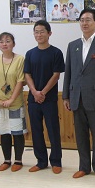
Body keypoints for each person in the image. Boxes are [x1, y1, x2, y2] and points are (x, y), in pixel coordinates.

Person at [62, 8, 95, 180]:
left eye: (88, 20)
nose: (84, 23)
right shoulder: (73, 46)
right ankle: (84, 167)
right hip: (76, 97)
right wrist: (66, 96)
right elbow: (68, 72)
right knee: (80, 135)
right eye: (82, 20)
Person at [24, 20, 65, 174]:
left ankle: (56, 161)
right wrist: (35, 92)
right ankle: (41, 161)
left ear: (49, 33)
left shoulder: (56, 52)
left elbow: (56, 76)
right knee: (36, 130)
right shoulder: (30, 53)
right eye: (36, 31)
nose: (39, 34)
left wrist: (43, 92)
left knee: (53, 129)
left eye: (42, 31)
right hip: (33, 99)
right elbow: (27, 74)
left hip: (49, 99)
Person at [0, 32, 27, 172]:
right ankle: (6, 160)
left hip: (15, 103)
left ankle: (18, 160)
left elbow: (21, 80)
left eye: (8, 41)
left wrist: (11, 99)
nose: (4, 44)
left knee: (17, 132)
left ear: (13, 44)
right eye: (1, 41)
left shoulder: (20, 59)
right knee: (4, 132)